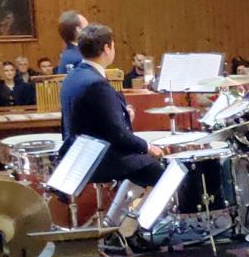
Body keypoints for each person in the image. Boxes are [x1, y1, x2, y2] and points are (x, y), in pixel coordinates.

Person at [57, 23, 167, 186]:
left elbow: (89, 117)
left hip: (77, 154)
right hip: (100, 159)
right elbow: (117, 134)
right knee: (161, 173)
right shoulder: (96, 83)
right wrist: (147, 147)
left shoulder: (73, 76)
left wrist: (122, 112)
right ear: (107, 48)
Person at [54, 10, 89, 74]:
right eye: (87, 26)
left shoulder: (74, 53)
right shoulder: (74, 57)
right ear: (78, 30)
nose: (91, 30)